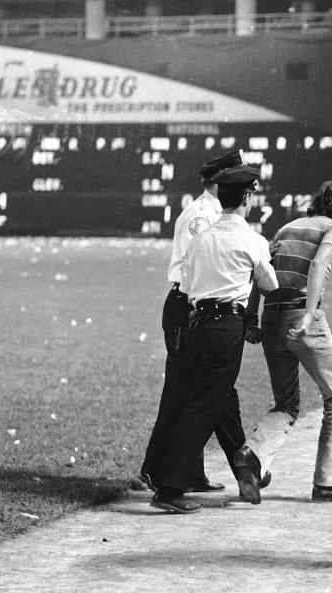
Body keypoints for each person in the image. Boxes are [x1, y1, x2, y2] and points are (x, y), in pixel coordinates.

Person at [149, 157, 279, 514]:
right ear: (247, 199)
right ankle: (169, 486)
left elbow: (187, 287)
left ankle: (243, 467)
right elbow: (269, 285)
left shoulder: (201, 239)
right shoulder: (253, 240)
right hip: (227, 328)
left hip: (196, 323)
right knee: (204, 405)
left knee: (212, 399)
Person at [235, 180, 332, 504]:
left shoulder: (285, 228)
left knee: (286, 403)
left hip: (272, 316)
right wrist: (308, 314)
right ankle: (327, 484)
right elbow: (319, 263)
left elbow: (259, 275)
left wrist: (252, 318)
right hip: (301, 316)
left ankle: (253, 455)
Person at [139, 152, 240, 494]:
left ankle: (193, 473)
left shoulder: (213, 212)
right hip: (189, 304)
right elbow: (193, 267)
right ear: (220, 180)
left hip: (196, 304)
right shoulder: (200, 215)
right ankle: (156, 469)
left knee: (196, 390)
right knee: (182, 392)